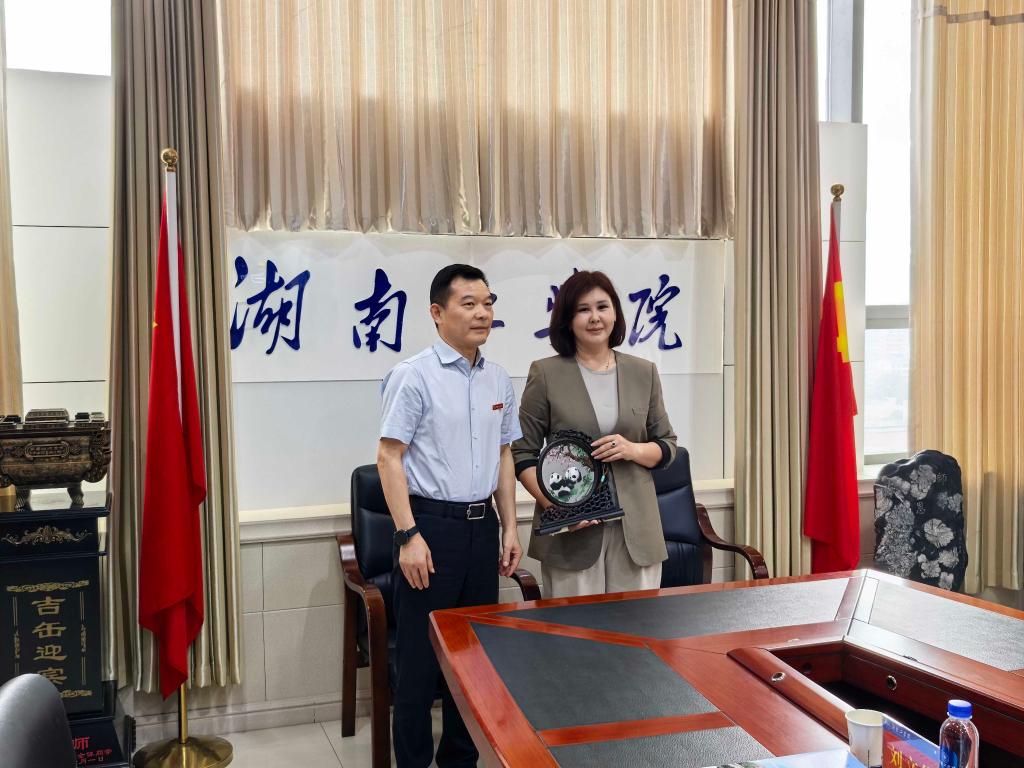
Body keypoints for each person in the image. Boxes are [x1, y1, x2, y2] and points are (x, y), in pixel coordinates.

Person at [377, 264, 523, 768]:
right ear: (437, 313)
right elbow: (388, 457)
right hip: (430, 529)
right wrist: (408, 535)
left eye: (488, 302)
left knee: (473, 661)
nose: (483, 313)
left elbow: (504, 455)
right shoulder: (413, 375)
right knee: (419, 666)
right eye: (469, 303)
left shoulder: (498, 377)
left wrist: (510, 527)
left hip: (483, 530)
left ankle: (460, 761)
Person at [513, 269, 676, 598]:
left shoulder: (643, 372)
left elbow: (667, 446)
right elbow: (523, 453)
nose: (594, 317)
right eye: (583, 309)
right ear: (567, 319)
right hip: (573, 533)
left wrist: (632, 449)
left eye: (602, 307)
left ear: (615, 313)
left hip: (636, 530)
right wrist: (561, 510)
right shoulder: (546, 373)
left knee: (637, 626)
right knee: (575, 627)